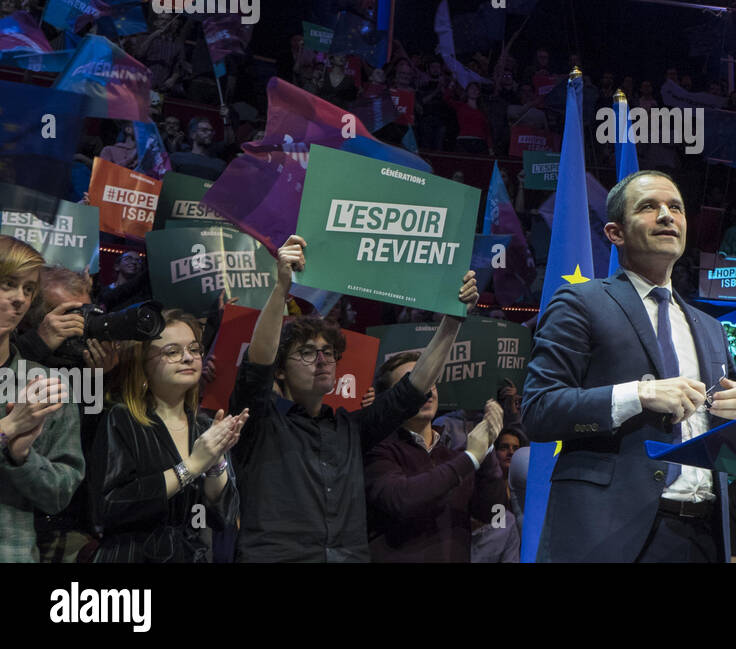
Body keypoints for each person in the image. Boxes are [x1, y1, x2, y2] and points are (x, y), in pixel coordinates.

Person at [522, 170, 736, 562]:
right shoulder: (581, 302)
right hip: (611, 535)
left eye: (676, 208)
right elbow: (538, 411)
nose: (667, 216)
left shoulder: (712, 329)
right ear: (615, 233)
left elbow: (727, 439)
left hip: (704, 537)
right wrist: (640, 394)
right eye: (649, 207)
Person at [229, 233, 480, 561]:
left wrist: (453, 319)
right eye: (306, 352)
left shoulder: (351, 429)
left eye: (328, 352)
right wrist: (281, 289)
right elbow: (256, 366)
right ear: (280, 371)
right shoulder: (257, 422)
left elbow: (413, 388)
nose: (321, 360)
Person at [88, 310, 245, 562]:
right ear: (143, 364)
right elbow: (109, 505)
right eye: (172, 351)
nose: (187, 358)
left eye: (194, 349)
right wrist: (192, 466)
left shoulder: (205, 426)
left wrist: (215, 461)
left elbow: (223, 517)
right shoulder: (121, 419)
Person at [364, 352, 508, 562]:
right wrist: (470, 458)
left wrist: (487, 454)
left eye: (431, 383)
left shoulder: (454, 456)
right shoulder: (375, 450)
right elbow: (401, 499)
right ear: (390, 398)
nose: (427, 392)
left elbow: (496, 517)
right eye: (415, 384)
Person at [0, 237, 82, 562]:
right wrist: (8, 428)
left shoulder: (47, 385)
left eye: (28, 289)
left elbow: (60, 494)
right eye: (8, 284)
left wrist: (23, 458)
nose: (19, 299)